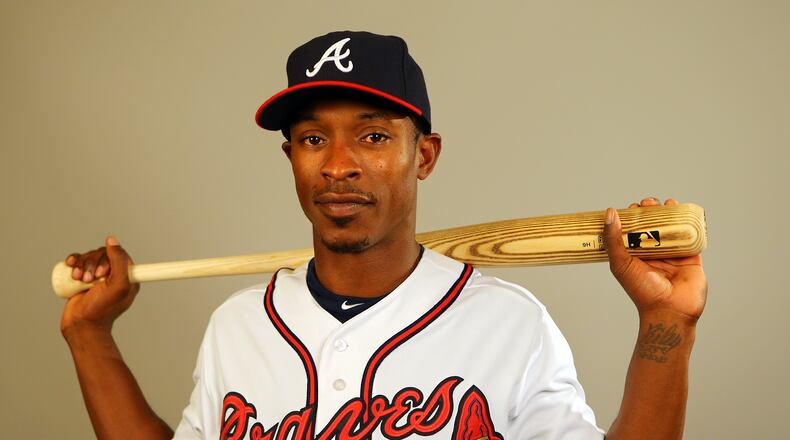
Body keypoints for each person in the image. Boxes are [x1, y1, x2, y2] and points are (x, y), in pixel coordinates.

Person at [60, 31, 707, 439]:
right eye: (314, 138)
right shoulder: (237, 328)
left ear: (424, 155)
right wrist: (89, 336)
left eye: (372, 135)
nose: (338, 164)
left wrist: (666, 327)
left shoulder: (510, 326)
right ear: (290, 156)